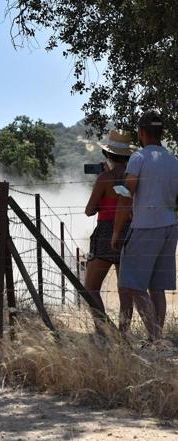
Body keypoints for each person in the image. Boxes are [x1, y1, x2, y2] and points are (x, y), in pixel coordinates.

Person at [112, 110, 178, 344]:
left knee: (132, 284)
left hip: (145, 227)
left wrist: (117, 232)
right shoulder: (173, 160)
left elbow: (127, 195)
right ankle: (157, 342)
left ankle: (155, 337)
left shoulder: (138, 158)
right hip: (170, 226)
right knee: (157, 287)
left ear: (141, 133)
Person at [84, 130, 135, 333]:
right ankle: (123, 334)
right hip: (130, 231)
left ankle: (104, 330)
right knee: (126, 292)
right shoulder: (134, 176)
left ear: (108, 155)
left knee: (90, 288)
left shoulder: (105, 178)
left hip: (106, 233)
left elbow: (89, 210)